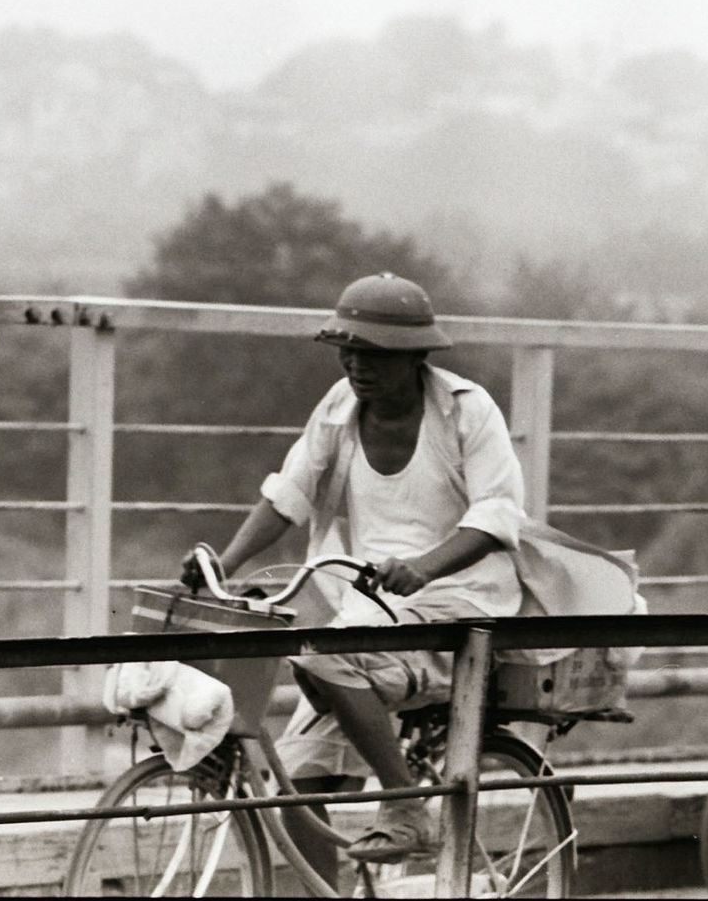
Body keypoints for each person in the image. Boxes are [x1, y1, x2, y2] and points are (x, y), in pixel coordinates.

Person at [183, 272, 527, 881]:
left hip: (457, 606)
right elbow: (289, 494)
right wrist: (222, 565)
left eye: (373, 354)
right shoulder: (339, 408)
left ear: (416, 356)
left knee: (322, 660)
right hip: (369, 612)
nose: (356, 365)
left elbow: (497, 517)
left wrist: (424, 567)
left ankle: (406, 805)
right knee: (300, 784)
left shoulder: (465, 412)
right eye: (348, 349)